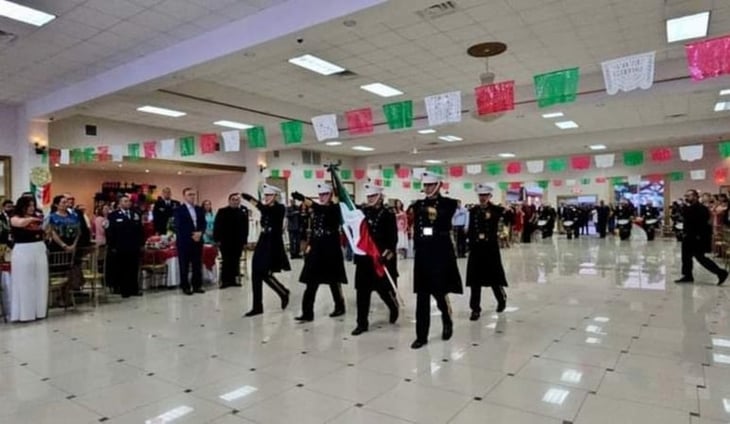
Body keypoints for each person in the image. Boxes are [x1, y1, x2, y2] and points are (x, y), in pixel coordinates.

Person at [410, 171, 462, 349]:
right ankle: (421, 335)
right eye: (425, 185)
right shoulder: (418, 205)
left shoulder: (449, 203)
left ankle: (447, 319)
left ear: (439, 185)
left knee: (439, 292)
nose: (427, 188)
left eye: (431, 185)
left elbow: (443, 217)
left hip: (440, 252)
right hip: (423, 254)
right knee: (422, 295)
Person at [292, 183, 347, 322]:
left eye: (325, 194)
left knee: (333, 280)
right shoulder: (316, 209)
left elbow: (321, 209)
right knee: (311, 281)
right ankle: (307, 312)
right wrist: (309, 246)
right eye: (320, 195)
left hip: (330, 248)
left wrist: (304, 198)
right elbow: (314, 227)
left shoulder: (335, 208)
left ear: (331, 195)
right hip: (317, 247)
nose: (322, 197)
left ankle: (340, 306)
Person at [351, 183, 399, 336]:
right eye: (369, 196)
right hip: (364, 259)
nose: (370, 199)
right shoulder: (362, 213)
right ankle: (361, 323)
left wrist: (386, 255)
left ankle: (393, 307)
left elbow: (393, 239)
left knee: (383, 290)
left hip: (380, 258)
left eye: (373, 196)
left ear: (379, 197)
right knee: (362, 292)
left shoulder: (388, 214)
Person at [240, 185, 291, 316]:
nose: (266, 198)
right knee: (256, 272)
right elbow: (263, 210)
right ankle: (258, 306)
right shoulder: (266, 208)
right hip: (263, 240)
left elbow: (265, 210)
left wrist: (250, 199)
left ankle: (283, 292)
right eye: (265, 196)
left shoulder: (279, 208)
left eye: (269, 195)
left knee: (264, 272)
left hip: (273, 243)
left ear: (275, 196)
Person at [466, 184, 507, 321]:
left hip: (490, 249)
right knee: (474, 280)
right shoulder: (473, 211)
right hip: (476, 249)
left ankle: (501, 299)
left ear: (490, 196)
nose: (482, 198)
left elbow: (506, 221)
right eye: (480, 195)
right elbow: (472, 229)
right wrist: (470, 243)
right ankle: (475, 309)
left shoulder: (497, 210)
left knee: (494, 277)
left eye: (485, 195)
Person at [675, 189, 728, 285]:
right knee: (686, 257)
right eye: (686, 196)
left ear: (695, 197)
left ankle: (720, 272)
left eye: (689, 196)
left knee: (700, 257)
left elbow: (700, 223)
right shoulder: (690, 207)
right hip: (688, 235)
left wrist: (699, 237)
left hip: (696, 237)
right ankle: (687, 275)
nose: (687, 198)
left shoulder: (701, 208)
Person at [9, 196, 48, 322]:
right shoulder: (15, 218)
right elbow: (20, 223)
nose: (32, 208)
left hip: (39, 249)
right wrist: (33, 219)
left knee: (40, 279)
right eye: (29, 205)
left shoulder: (37, 219)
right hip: (23, 251)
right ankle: (25, 313)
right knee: (25, 281)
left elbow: (43, 231)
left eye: (33, 205)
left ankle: (39, 311)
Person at [105, 195, 145, 298]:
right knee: (122, 269)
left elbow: (140, 231)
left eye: (129, 201)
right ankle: (124, 290)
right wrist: (112, 246)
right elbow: (110, 232)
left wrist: (141, 244)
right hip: (120, 247)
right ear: (120, 203)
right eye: (125, 201)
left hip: (133, 246)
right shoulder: (113, 216)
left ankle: (134, 289)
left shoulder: (135, 214)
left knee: (133, 268)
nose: (128, 203)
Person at [173, 188, 206, 295]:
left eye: (193, 194)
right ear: (184, 196)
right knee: (184, 265)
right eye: (189, 194)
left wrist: (200, 233)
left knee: (197, 264)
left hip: (198, 240)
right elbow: (178, 226)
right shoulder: (179, 210)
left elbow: (203, 223)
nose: (192, 196)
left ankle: (197, 285)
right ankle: (185, 286)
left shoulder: (199, 209)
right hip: (185, 241)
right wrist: (192, 235)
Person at [213, 193, 249, 288]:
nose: (235, 201)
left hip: (238, 242)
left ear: (239, 201)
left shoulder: (242, 213)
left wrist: (245, 241)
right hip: (225, 241)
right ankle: (225, 281)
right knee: (226, 261)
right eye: (233, 199)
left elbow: (246, 228)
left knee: (236, 260)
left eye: (237, 199)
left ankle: (235, 280)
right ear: (229, 201)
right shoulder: (222, 211)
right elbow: (217, 226)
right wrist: (217, 239)